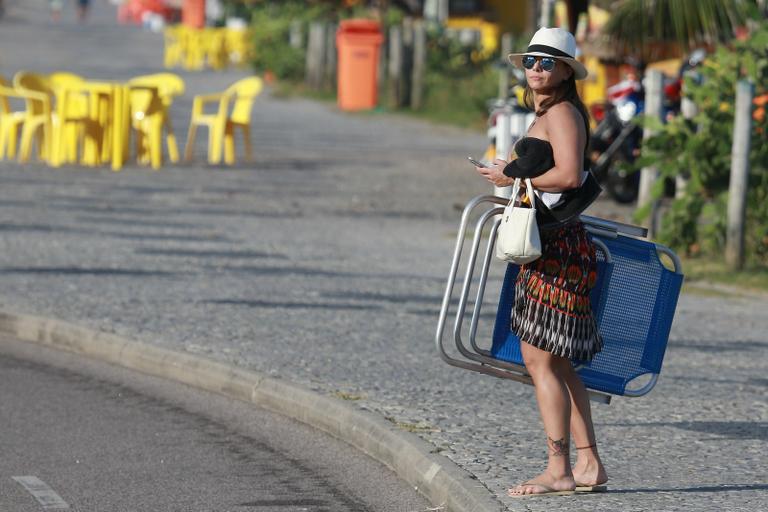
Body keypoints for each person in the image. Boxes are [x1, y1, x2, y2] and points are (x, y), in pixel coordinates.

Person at [473, 27, 608, 498]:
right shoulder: (548, 112)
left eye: (547, 62)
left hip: (559, 250)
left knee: (540, 361)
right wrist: (505, 173)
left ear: (567, 70)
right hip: (552, 246)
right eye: (531, 60)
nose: (535, 68)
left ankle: (559, 471)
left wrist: (511, 178)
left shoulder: (564, 113)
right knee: (557, 362)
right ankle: (588, 464)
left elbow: (570, 174)